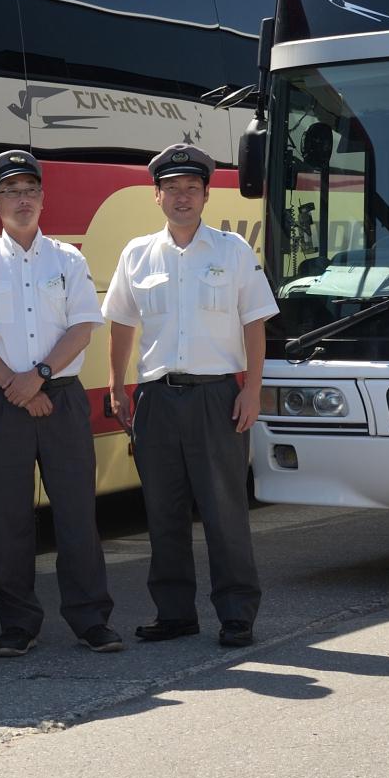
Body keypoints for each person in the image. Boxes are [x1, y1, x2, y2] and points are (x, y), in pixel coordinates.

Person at [0, 150, 122, 658]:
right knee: (8, 518)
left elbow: (83, 327)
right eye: (11, 193)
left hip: (60, 400)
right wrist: (17, 387)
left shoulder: (68, 259)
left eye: (30, 191)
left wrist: (40, 377)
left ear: (42, 198)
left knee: (77, 515)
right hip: (4, 405)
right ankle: (18, 624)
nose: (22, 201)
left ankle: (92, 620)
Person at [103, 142, 277, 649]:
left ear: (206, 196)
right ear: (156, 197)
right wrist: (117, 385)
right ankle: (175, 612)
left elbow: (255, 323)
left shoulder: (233, 251)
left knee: (224, 511)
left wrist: (251, 389)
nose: (182, 197)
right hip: (157, 398)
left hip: (217, 397)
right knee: (162, 510)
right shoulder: (137, 253)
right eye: (172, 189)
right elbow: (121, 322)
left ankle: (237, 613)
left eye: (192, 189)